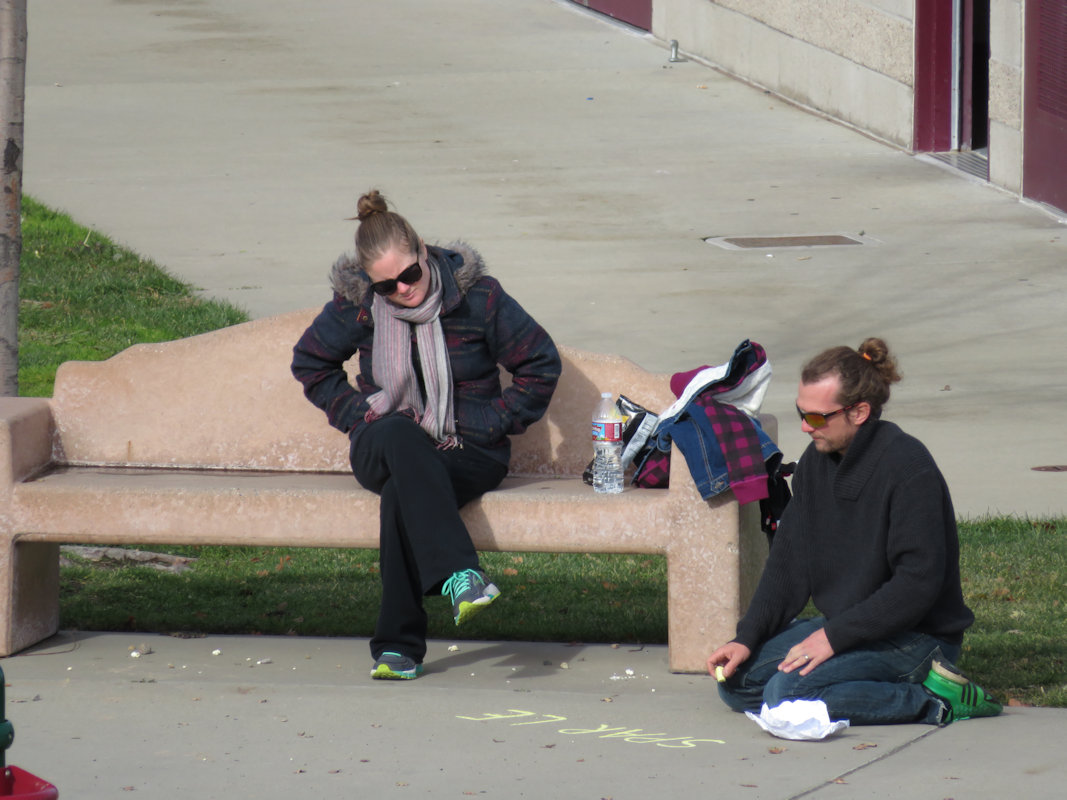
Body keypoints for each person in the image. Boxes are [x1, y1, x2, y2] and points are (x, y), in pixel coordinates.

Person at [292, 190, 561, 680]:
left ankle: (397, 648)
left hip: (468, 449)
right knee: (399, 431)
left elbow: (539, 364)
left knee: (403, 492)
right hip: (381, 440)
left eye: (410, 274)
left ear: (422, 250)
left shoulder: (479, 298)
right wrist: (358, 414)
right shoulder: (358, 306)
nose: (402, 289)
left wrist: (489, 421)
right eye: (387, 285)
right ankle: (461, 574)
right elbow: (311, 362)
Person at [706, 338, 1002, 726]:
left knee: (787, 694)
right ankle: (852, 680)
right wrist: (746, 637)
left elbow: (916, 585)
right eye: (801, 413)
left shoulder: (909, 468)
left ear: (859, 412)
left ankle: (936, 700)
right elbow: (788, 566)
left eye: (816, 418)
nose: (804, 426)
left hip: (918, 638)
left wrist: (832, 638)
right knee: (736, 684)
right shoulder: (815, 465)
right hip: (851, 627)